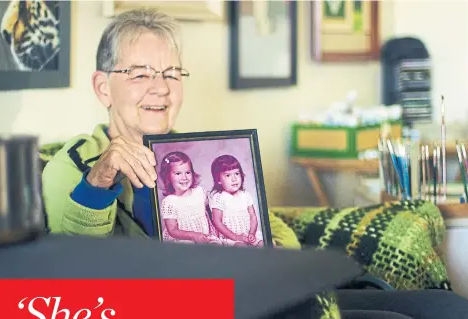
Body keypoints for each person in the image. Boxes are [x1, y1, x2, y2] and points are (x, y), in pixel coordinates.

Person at [42, 7, 468, 319]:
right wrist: (101, 180)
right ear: (103, 88)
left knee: (445, 307)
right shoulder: (78, 162)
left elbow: (268, 224)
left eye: (171, 73)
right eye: (139, 74)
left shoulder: (197, 154)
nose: (161, 88)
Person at [158, 151, 220, 245]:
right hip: (183, 241)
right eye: (178, 173)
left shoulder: (199, 192)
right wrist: (193, 235)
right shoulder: (169, 202)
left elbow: (209, 213)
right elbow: (172, 230)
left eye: (187, 172)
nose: (184, 177)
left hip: (205, 236)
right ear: (168, 177)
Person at [208, 154, 263, 247]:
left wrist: (252, 233)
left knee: (264, 244)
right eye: (228, 175)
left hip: (248, 235)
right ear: (219, 180)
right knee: (241, 248)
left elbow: (253, 217)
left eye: (237, 174)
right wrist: (235, 237)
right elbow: (217, 222)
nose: (234, 179)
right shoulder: (219, 198)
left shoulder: (245, 195)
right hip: (230, 238)